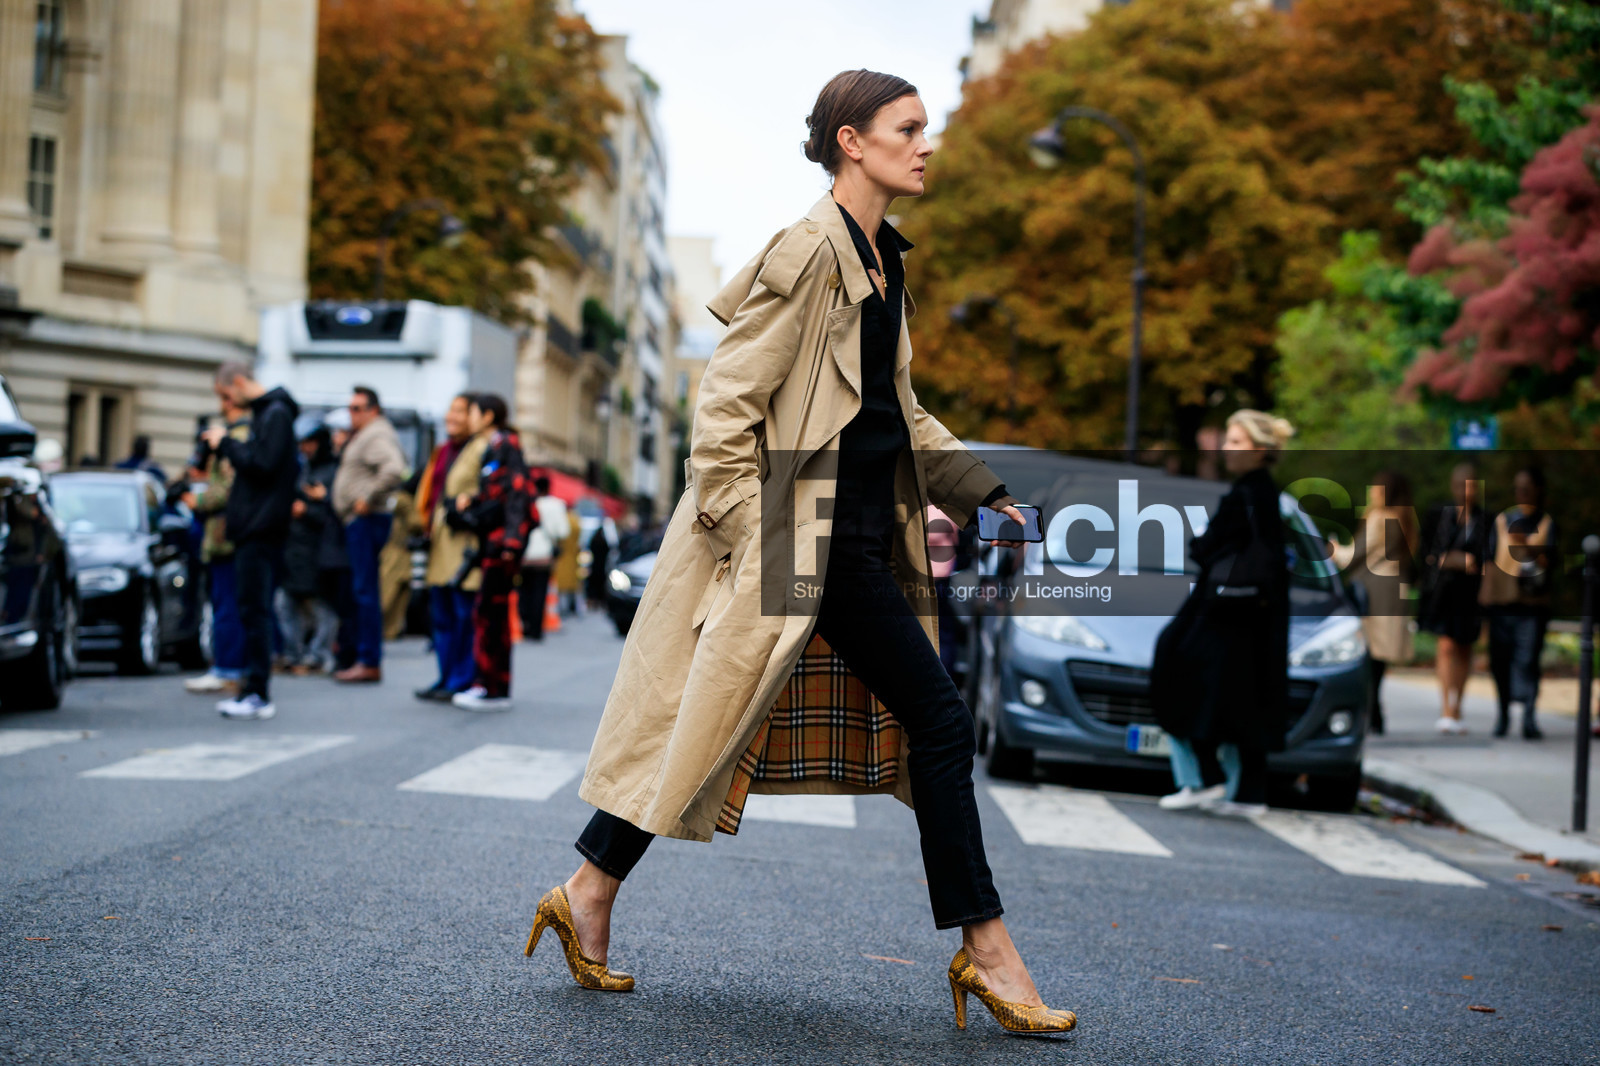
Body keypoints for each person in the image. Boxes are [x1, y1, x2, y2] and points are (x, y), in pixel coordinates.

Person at [521, 71, 1074, 1036]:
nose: (927, 143)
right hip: (800, 545)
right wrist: (748, 539)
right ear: (852, 142)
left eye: (926, 128)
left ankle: (587, 889)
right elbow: (723, 413)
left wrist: (984, 490)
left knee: (710, 724)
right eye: (909, 128)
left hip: (852, 542)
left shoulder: (881, 261)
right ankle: (987, 953)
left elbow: (896, 417)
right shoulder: (809, 254)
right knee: (939, 725)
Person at [1154, 410, 1293, 818]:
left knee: (1173, 668)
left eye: (1236, 442)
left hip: (1229, 612)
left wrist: (1204, 545)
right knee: (1243, 697)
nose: (1226, 449)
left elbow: (1208, 546)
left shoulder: (1249, 495)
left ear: (1260, 450)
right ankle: (1246, 792)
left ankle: (1203, 778)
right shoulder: (1263, 493)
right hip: (1250, 616)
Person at [201, 363, 299, 720]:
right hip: (257, 525)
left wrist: (225, 443)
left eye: (227, 395)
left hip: (260, 527)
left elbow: (262, 465)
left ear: (239, 383)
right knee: (252, 609)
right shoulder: (272, 413)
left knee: (254, 611)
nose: (228, 404)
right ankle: (252, 689)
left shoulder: (275, 415)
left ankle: (257, 692)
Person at [445, 393, 531, 711]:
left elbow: (518, 494)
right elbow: (497, 493)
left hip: (501, 546)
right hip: (494, 542)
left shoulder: (507, 445)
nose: (469, 417)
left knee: (489, 615)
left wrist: (510, 542)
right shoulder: (495, 447)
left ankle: (490, 687)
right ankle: (492, 685)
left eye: (474, 412)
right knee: (489, 614)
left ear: (488, 416)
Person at [330, 386, 407, 683]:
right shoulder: (366, 434)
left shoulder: (376, 434)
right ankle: (363, 656)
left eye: (357, 408)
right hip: (360, 521)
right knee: (362, 590)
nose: (352, 414)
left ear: (373, 410)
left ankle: (368, 659)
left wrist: (366, 498)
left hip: (366, 520)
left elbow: (394, 469)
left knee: (365, 591)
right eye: (350, 408)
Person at [414, 393, 488, 702]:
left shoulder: (482, 449)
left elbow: (488, 493)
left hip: (464, 542)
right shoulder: (444, 450)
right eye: (451, 411)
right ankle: (445, 676)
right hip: (440, 540)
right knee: (442, 613)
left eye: (461, 411)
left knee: (462, 612)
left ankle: (462, 677)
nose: (452, 417)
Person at [1480, 465, 1557, 740]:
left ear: (1537, 489)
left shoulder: (1546, 523)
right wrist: (1485, 598)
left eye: (1526, 487)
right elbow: (1488, 560)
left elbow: (1550, 564)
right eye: (1518, 487)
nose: (1521, 492)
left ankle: (1529, 718)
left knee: (1528, 661)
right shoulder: (1503, 520)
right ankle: (1502, 716)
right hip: (1502, 605)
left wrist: (1527, 546)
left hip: (1532, 605)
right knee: (1500, 662)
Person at [182, 399, 251, 695]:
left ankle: (228, 669)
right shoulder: (241, 440)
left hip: (226, 537)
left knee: (227, 605)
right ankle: (231, 668)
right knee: (229, 604)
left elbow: (228, 489)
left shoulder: (234, 443)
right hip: (228, 536)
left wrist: (197, 500)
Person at [1418, 462, 1487, 734]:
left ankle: (1458, 705)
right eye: (1459, 484)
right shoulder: (1439, 516)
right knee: (1446, 646)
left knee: (1464, 647)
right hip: (1444, 592)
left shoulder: (1485, 519)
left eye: (1469, 484)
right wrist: (1455, 561)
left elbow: (1487, 559)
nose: (1464, 491)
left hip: (1471, 593)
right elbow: (1429, 554)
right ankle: (1446, 707)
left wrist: (1466, 562)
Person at [1352, 471, 1419, 736]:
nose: (1371, 492)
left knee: (1368, 654)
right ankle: (1375, 712)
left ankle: (1371, 712)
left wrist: (1330, 550)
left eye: (1376, 487)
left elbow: (1357, 552)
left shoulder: (1380, 518)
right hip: (1395, 590)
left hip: (1375, 591)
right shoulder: (1405, 520)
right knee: (1378, 658)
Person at [275, 426, 341, 675]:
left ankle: (317, 655)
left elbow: (335, 512)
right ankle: (296, 654)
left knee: (321, 606)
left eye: (310, 442)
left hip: (319, 550)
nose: (305, 448)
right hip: (295, 549)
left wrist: (311, 508)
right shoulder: (304, 467)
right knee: (286, 603)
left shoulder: (331, 471)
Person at [519, 476, 569, 640]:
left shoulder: (528, 502)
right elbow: (563, 532)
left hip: (525, 554)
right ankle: (535, 628)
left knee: (524, 591)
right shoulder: (556, 505)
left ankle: (524, 624)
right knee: (539, 592)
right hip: (543, 555)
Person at [584, 517, 615, 611]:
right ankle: (600, 602)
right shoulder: (607, 540)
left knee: (593, 584)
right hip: (603, 567)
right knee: (601, 583)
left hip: (595, 566)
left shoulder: (594, 539)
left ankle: (593, 602)